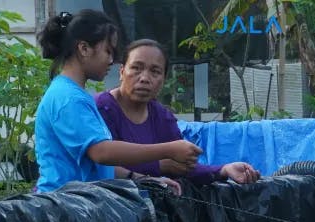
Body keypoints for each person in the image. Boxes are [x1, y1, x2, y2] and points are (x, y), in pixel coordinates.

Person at [34, 11, 202, 193]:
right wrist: (168, 149)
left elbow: (98, 167)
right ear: (83, 49)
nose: (111, 60)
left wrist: (144, 179)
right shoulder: (68, 98)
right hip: (63, 207)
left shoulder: (76, 95)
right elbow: (102, 152)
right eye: (108, 51)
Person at [95, 39, 260, 185]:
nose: (144, 78)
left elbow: (181, 167)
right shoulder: (101, 108)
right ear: (122, 72)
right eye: (136, 68)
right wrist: (159, 165)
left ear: (164, 79)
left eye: (155, 71)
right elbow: (100, 165)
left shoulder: (162, 117)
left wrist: (224, 170)